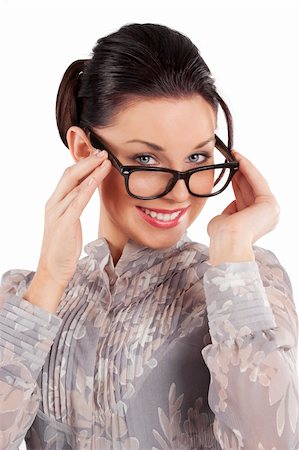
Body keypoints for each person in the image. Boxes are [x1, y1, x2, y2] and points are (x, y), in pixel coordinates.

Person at [0, 23, 298, 450]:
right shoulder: (24, 299)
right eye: (145, 158)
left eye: (197, 157)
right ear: (86, 151)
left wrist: (233, 247)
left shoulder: (247, 284)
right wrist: (48, 279)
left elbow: (273, 443)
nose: (179, 192)